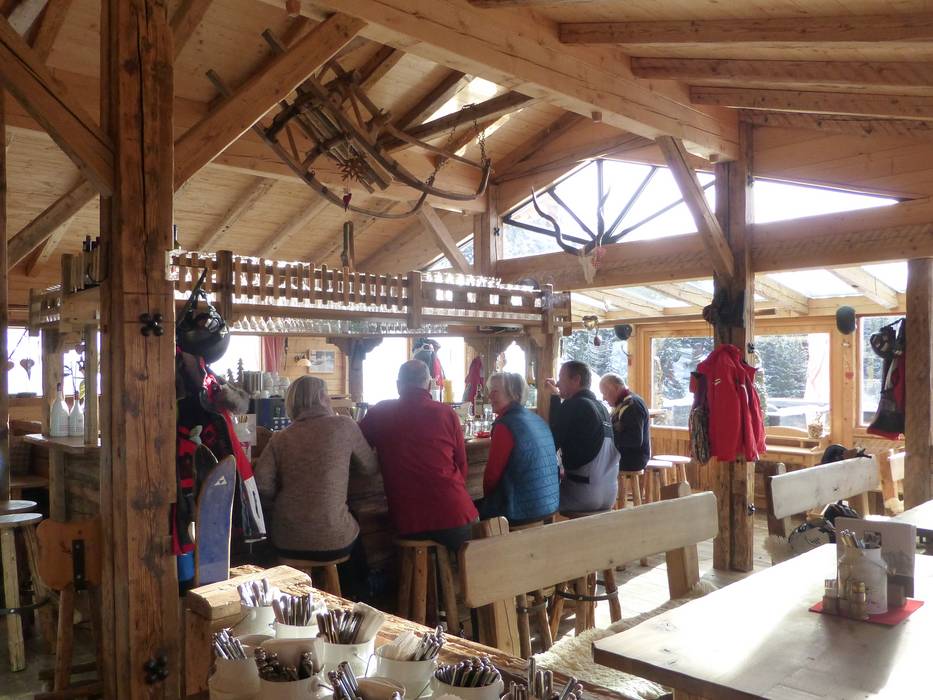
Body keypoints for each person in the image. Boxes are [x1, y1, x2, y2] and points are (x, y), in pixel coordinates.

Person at [255, 375, 378, 597]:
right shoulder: (344, 426)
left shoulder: (280, 438)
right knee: (350, 530)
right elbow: (369, 467)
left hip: (287, 538)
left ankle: (305, 605)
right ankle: (354, 602)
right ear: (322, 397)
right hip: (331, 537)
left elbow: (262, 484)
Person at [360, 360, 478, 550]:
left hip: (409, 521)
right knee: (467, 561)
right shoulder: (446, 413)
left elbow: (354, 444)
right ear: (429, 385)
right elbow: (462, 465)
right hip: (456, 515)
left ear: (398, 385)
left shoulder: (380, 412)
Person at [477, 372, 559, 525]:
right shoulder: (538, 420)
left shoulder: (505, 425)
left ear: (513, 394)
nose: (490, 397)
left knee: (464, 514)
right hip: (548, 504)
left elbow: (491, 477)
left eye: (495, 391)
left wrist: (487, 500)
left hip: (518, 511)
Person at [545, 360, 619, 513]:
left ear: (576, 380)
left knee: (539, 500)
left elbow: (552, 442)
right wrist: (556, 396)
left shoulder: (574, 405)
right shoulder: (602, 408)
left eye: (561, 377)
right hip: (610, 495)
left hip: (583, 494)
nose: (557, 383)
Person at [599, 373, 651, 472]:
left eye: (605, 393)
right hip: (625, 455)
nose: (603, 398)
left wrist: (608, 436)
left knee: (592, 464)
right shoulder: (623, 402)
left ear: (616, 388)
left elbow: (635, 440)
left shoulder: (632, 405)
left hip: (633, 459)